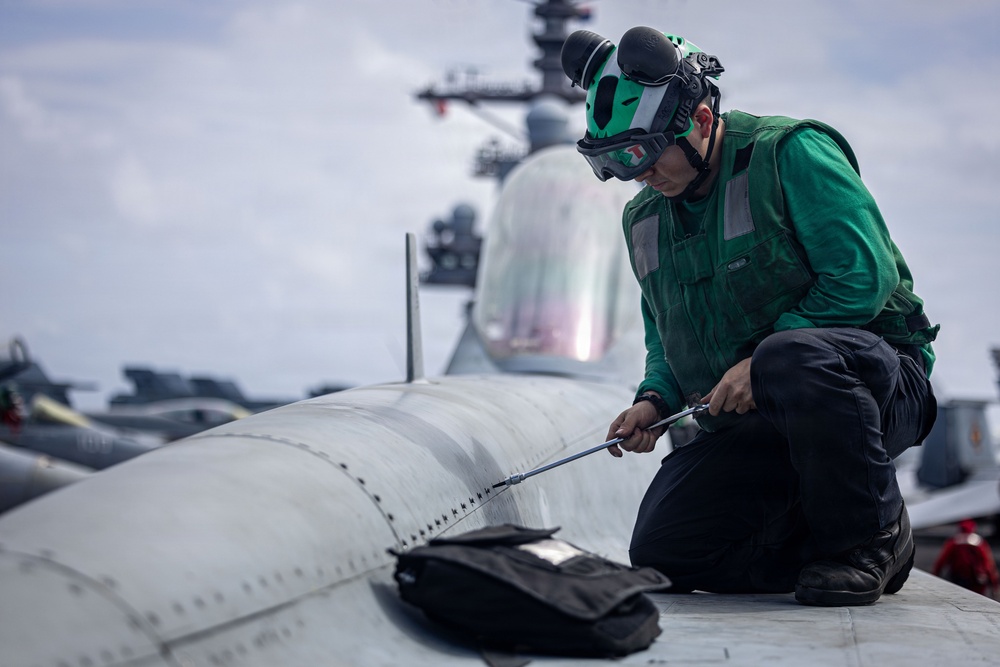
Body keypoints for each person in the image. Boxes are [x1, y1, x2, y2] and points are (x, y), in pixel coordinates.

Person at [560, 27, 939, 606]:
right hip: (763, 417)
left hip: (866, 389)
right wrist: (656, 400)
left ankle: (875, 540)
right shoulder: (643, 220)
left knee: (791, 356)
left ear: (703, 122)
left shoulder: (790, 153)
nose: (638, 174)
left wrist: (759, 364)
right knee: (665, 552)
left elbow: (864, 278)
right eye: (617, 160)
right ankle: (823, 533)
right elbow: (664, 331)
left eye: (643, 152)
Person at [932, 519, 999, 598]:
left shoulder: (954, 542)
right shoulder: (979, 543)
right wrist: (994, 583)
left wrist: (935, 575)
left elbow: (942, 561)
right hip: (977, 580)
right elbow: (988, 564)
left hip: (958, 578)